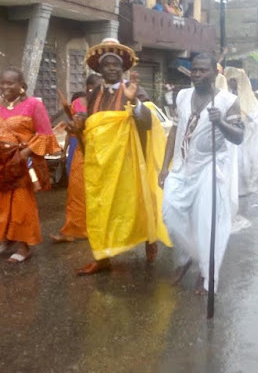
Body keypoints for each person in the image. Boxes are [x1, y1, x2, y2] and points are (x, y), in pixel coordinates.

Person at [74, 38, 171, 275]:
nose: (112, 69)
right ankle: (102, 256)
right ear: (98, 69)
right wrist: (78, 125)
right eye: (106, 65)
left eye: (116, 65)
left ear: (123, 68)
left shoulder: (135, 90)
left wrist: (134, 101)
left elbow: (149, 123)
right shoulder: (94, 93)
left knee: (137, 202)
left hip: (129, 161)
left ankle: (150, 237)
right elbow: (93, 127)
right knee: (100, 206)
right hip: (100, 164)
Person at [159, 53, 244, 294]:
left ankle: (207, 273)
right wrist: (165, 166)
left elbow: (239, 137)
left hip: (210, 167)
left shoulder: (228, 101)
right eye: (194, 70)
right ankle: (187, 256)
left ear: (215, 73)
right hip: (182, 166)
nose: (196, 74)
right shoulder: (183, 96)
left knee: (206, 223)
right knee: (170, 212)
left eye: (202, 70)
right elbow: (175, 131)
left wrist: (222, 123)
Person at [0, 67, 60, 262]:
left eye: (10, 83)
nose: (5, 86)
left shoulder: (34, 105)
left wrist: (23, 154)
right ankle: (7, 238)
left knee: (21, 203)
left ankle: (24, 246)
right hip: (2, 163)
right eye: (2, 83)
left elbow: (45, 134)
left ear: (22, 86)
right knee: (3, 203)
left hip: (23, 162)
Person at [50, 74, 102, 243]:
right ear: (88, 87)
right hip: (81, 152)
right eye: (95, 87)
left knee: (101, 193)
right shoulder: (79, 103)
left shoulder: (109, 104)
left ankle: (100, 229)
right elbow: (73, 126)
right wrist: (72, 126)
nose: (99, 90)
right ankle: (73, 230)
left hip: (104, 152)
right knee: (77, 192)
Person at [225, 67, 258, 196]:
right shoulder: (225, 96)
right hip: (228, 138)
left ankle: (243, 187)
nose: (232, 83)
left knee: (243, 164)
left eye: (234, 81)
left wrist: (250, 120)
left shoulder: (251, 101)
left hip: (245, 139)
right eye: (230, 80)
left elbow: (257, 115)